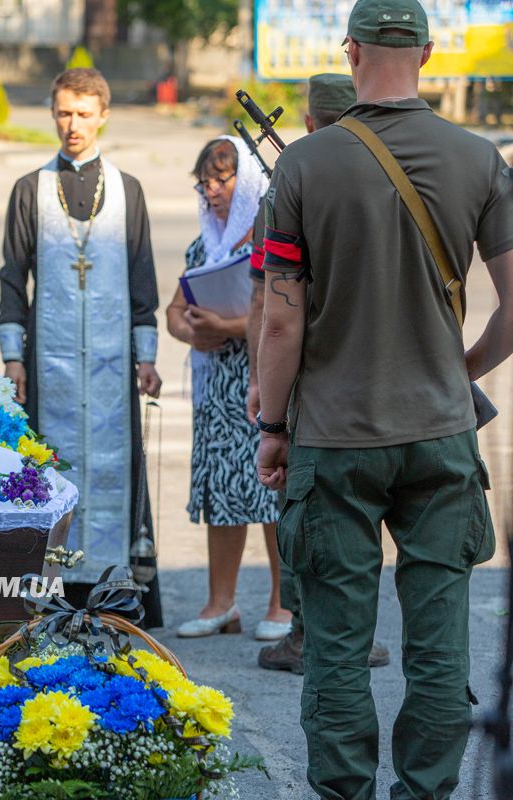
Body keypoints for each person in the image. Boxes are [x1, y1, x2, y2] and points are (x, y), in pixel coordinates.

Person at [256, 1, 513, 796]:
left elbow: (282, 321)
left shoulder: (303, 165)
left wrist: (271, 425)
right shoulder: (480, 159)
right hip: (439, 432)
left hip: (334, 436)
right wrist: (456, 367)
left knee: (335, 641)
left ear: (353, 50)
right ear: (430, 53)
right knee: (440, 645)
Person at [0, 67, 163, 625]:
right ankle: (51, 591)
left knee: (118, 466)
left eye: (84, 114)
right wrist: (13, 357)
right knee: (49, 464)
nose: (74, 125)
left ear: (103, 117)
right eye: (64, 113)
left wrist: (147, 355)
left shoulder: (126, 188)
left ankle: (116, 591)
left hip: (115, 362)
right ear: (53, 114)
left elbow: (143, 274)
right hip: (51, 360)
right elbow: (11, 278)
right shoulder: (30, 189)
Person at [246, 73, 390, 675]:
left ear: (309, 122)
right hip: (383, 380)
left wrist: (264, 395)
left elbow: (267, 305)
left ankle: (306, 633)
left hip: (310, 385)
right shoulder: (385, 182)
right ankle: (356, 634)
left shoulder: (287, 189)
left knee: (303, 510)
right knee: (370, 516)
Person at [166, 136, 289, 640]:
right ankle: (222, 604)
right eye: (206, 182)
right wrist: (192, 330)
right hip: (216, 393)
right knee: (221, 493)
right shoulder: (203, 244)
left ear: (248, 184)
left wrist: (227, 324)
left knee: (270, 497)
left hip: (262, 385)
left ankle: (283, 606)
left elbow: (284, 314)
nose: (213, 191)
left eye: (223, 179)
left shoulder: (270, 237)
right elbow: (174, 311)